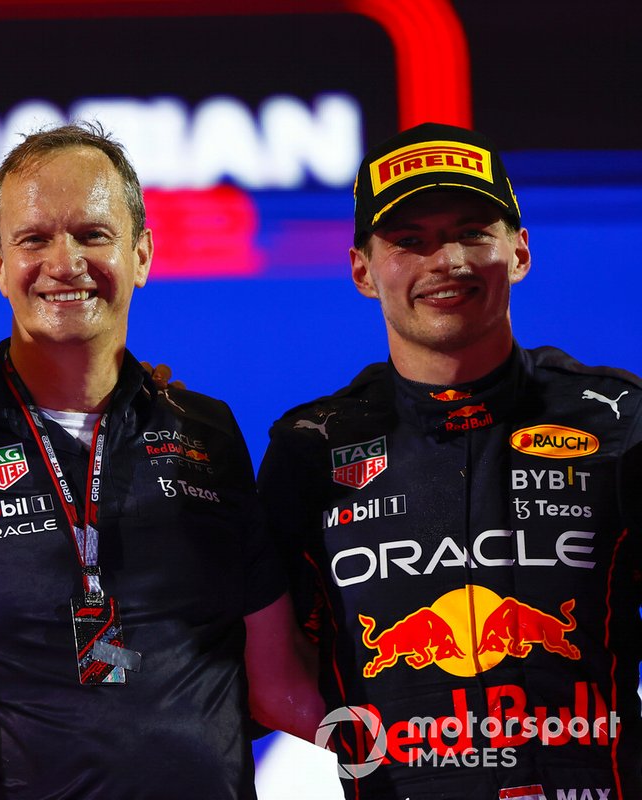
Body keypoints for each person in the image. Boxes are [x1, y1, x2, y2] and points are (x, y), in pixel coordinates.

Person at [0, 121, 322, 799]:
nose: (64, 262)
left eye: (92, 235)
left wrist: (410, 750)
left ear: (142, 254)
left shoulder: (210, 436)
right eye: (34, 238)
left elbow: (278, 687)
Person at [258, 122, 642, 799]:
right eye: (410, 241)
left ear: (519, 252)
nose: (448, 261)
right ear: (362, 271)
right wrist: (389, 756)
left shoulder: (617, 419)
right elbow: (261, 673)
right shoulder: (311, 447)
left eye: (472, 232)